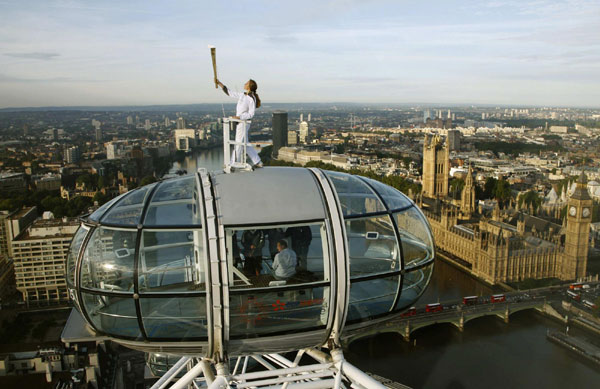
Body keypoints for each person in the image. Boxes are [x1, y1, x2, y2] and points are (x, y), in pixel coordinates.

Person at [216, 79, 263, 168]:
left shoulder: (251, 98)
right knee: (245, 142)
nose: (244, 84)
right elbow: (229, 93)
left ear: (249, 86)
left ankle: (232, 163)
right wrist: (220, 84)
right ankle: (257, 161)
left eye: (246, 83)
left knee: (238, 143)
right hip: (240, 122)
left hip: (243, 123)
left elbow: (251, 114)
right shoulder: (243, 95)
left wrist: (239, 117)